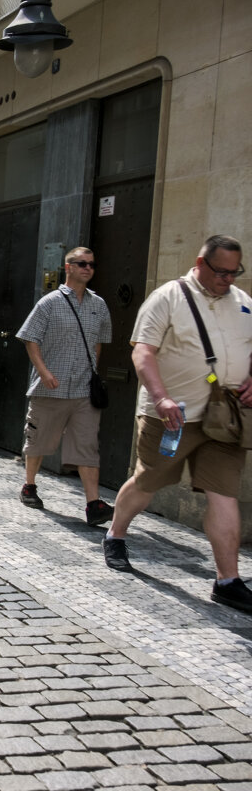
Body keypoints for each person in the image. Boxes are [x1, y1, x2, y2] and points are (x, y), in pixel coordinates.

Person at [103, 235, 252, 614]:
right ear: (200, 264)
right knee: (149, 480)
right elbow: (143, 352)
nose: (228, 279)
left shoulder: (243, 303)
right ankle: (116, 533)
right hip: (171, 415)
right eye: (221, 272)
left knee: (223, 494)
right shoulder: (168, 297)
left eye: (234, 272)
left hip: (225, 418)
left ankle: (227, 581)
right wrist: (161, 397)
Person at [16, 247, 114, 523]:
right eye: (82, 263)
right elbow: (30, 338)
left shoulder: (99, 305)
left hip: (84, 390)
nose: (88, 268)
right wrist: (43, 371)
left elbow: (98, 343)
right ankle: (29, 485)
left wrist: (92, 371)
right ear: (68, 267)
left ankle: (93, 504)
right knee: (38, 440)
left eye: (92, 264)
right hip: (51, 386)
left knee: (87, 446)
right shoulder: (49, 303)